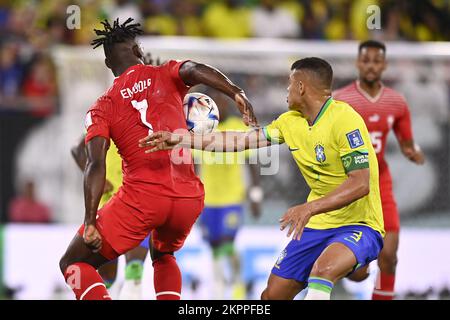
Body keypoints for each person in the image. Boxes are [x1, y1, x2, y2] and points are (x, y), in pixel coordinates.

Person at [139, 57, 385, 300]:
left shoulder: (345, 119)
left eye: (289, 84)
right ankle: (357, 268)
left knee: (323, 270)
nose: (286, 91)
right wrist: (180, 138)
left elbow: (360, 183)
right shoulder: (290, 123)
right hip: (318, 225)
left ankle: (357, 266)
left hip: (359, 223)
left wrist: (310, 207)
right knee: (271, 295)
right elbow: (238, 141)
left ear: (301, 87)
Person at [59, 17, 257, 300]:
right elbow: (194, 68)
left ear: (107, 64)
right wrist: (235, 91)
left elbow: (94, 162)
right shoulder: (166, 74)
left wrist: (90, 219)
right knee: (163, 254)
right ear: (139, 51)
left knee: (72, 263)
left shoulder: (102, 106)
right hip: (188, 198)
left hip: (142, 199)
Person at [334, 40, 425, 300]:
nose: (371, 65)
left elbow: (406, 142)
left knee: (389, 256)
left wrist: (413, 151)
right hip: (348, 182)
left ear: (384, 65)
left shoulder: (396, 102)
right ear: (357, 63)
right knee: (358, 270)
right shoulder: (341, 100)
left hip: (379, 182)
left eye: (376, 61)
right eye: (366, 60)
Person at [194, 92, 262, 299]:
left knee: (227, 242)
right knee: (215, 245)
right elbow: (194, 165)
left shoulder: (237, 127)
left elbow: (252, 163)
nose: (218, 106)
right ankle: (225, 284)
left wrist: (255, 194)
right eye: (212, 102)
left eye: (221, 101)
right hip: (208, 200)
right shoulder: (200, 129)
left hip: (232, 198)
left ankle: (232, 287)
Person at [71, 136, 148, 300]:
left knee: (134, 269)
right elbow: (77, 150)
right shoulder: (106, 121)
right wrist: (97, 177)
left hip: (139, 203)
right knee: (107, 278)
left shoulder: (144, 120)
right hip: (110, 207)